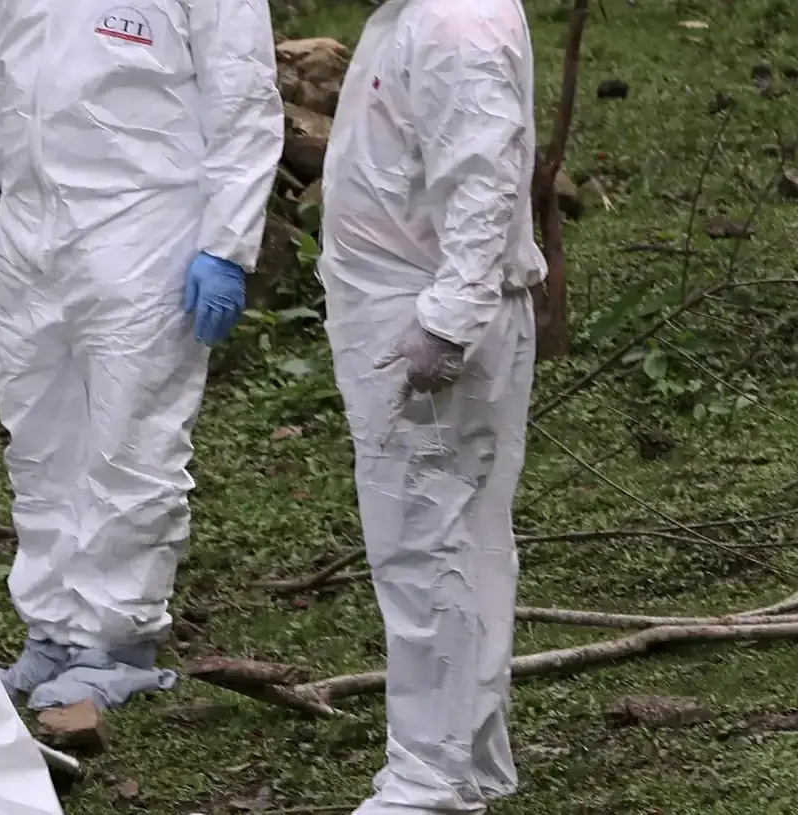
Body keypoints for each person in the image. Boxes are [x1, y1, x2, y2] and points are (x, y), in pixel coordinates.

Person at [0, 2, 284, 710]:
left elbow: (243, 98)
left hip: (146, 223)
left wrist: (225, 245)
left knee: (132, 438)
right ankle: (54, 629)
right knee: (38, 439)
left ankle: (117, 637)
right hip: (33, 223)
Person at [317, 1, 543, 813]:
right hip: (410, 307)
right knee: (458, 538)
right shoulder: (415, 15)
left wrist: (447, 322)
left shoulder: (454, 22)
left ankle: (429, 777)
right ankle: (466, 757)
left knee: (427, 549)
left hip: (428, 324)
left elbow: (481, 177)